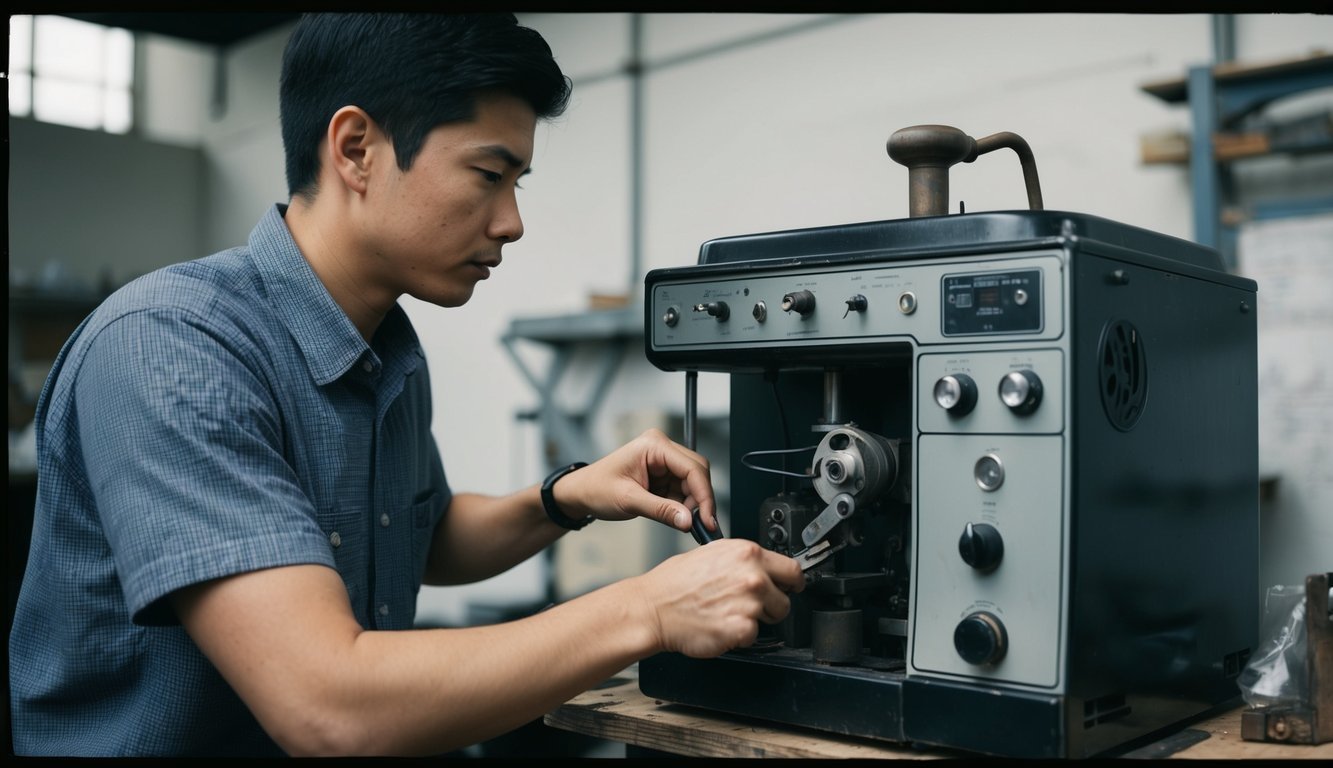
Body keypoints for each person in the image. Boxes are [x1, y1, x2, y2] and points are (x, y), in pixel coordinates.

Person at [9, 13, 804, 757]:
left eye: (517, 182)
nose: (511, 222)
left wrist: (568, 496)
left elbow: (417, 535)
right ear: (355, 149)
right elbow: (325, 703)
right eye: (488, 174)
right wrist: (648, 608)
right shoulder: (172, 347)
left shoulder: (385, 345)